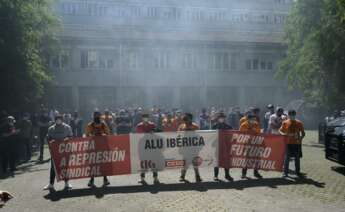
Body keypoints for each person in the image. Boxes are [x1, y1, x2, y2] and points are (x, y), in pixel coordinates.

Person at [43, 114, 73, 190]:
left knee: (65, 167)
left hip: (65, 151)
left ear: (62, 120)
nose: (58, 120)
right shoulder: (51, 129)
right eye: (57, 119)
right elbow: (48, 138)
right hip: (55, 152)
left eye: (59, 119)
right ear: (55, 120)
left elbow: (71, 137)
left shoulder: (67, 127)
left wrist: (66, 139)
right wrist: (50, 141)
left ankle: (67, 184)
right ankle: (51, 184)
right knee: (53, 168)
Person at [85, 111, 111, 187]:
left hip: (102, 146)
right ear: (93, 117)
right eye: (95, 116)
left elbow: (108, 133)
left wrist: (102, 134)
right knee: (93, 164)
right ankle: (91, 180)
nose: (97, 117)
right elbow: (87, 135)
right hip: (93, 147)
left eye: (98, 116)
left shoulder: (103, 124)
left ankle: (105, 179)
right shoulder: (90, 125)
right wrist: (93, 135)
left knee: (103, 163)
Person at [279, 110, 305, 178]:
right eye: (290, 115)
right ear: (288, 115)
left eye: (293, 115)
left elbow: (303, 133)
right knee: (287, 158)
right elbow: (280, 130)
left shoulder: (299, 123)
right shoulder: (285, 122)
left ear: (295, 115)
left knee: (297, 158)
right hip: (288, 143)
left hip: (296, 144)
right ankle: (285, 173)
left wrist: (300, 138)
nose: (292, 116)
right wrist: (283, 134)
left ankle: (297, 172)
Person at [178, 113, 202, 182]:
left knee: (195, 163)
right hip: (185, 148)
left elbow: (199, 136)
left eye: (187, 118)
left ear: (191, 119)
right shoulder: (181, 126)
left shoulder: (195, 126)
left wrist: (199, 147)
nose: (186, 120)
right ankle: (182, 176)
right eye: (185, 118)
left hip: (193, 148)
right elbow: (178, 135)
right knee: (185, 163)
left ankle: (197, 177)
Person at [136, 112, 159, 184]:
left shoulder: (152, 124)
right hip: (143, 147)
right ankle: (142, 178)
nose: (145, 119)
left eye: (146, 117)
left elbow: (156, 132)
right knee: (143, 163)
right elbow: (139, 135)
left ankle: (155, 178)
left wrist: (153, 131)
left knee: (154, 163)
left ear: (148, 118)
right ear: (142, 118)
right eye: (144, 117)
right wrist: (149, 132)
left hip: (152, 147)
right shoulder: (139, 125)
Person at [239, 114, 263, 179]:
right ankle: (243, 174)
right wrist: (250, 130)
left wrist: (254, 130)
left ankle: (256, 173)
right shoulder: (243, 125)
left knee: (257, 159)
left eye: (254, 119)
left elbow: (259, 132)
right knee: (247, 159)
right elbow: (241, 134)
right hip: (247, 144)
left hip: (256, 143)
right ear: (248, 119)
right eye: (252, 119)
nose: (253, 120)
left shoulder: (256, 124)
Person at [212, 112, 233, 182]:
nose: (221, 119)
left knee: (226, 161)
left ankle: (227, 175)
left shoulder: (228, 126)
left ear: (224, 118)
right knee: (216, 161)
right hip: (217, 146)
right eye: (220, 118)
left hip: (226, 146)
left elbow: (232, 135)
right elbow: (210, 136)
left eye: (223, 118)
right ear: (218, 119)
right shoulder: (214, 126)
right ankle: (215, 176)